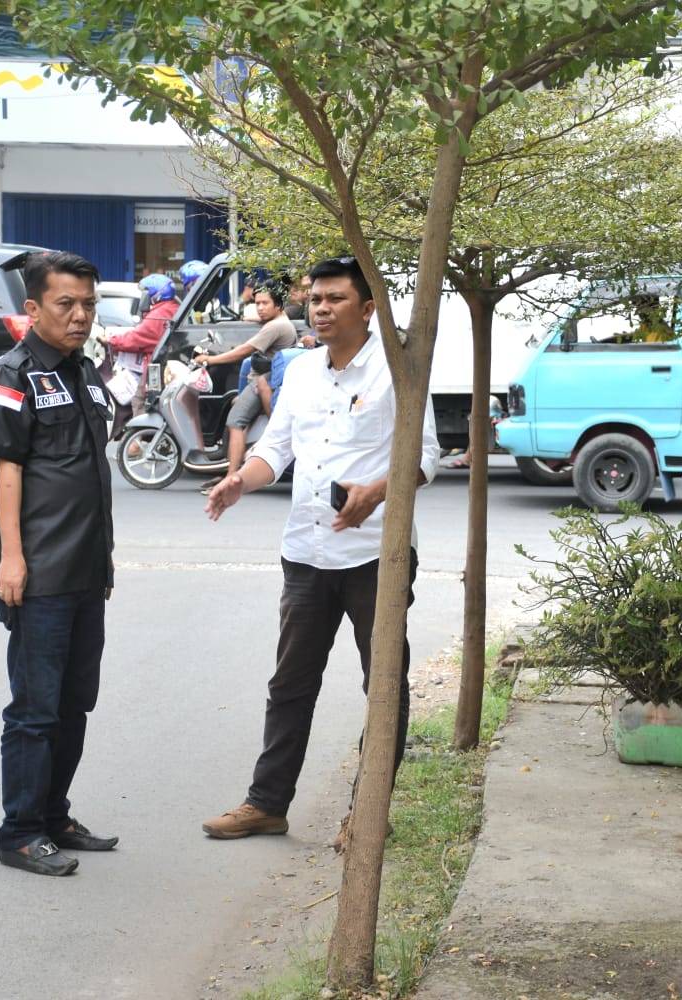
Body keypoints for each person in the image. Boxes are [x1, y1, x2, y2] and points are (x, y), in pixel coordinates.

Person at [199, 255, 440, 843]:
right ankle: (266, 804)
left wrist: (375, 493)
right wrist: (240, 480)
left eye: (335, 298)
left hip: (376, 556)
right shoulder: (302, 370)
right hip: (306, 552)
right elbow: (276, 448)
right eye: (315, 299)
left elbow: (426, 456)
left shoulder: (398, 371)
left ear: (368, 307)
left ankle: (367, 813)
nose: (321, 309)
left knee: (382, 686)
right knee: (290, 684)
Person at [0, 250, 117, 877]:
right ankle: (20, 832)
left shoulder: (84, 371)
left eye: (89, 304)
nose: (80, 315)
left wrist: (103, 562)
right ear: (33, 308)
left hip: (86, 569)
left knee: (74, 702)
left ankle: (54, 816)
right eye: (66, 304)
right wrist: (11, 559)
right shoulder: (12, 375)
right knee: (35, 709)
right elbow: (6, 470)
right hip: (38, 573)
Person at [192, 283, 299, 492]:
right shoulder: (278, 322)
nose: (260, 308)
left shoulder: (275, 326)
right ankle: (229, 466)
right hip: (263, 380)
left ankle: (232, 477)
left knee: (235, 422)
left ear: (278, 305)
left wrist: (210, 360)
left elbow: (244, 350)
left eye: (265, 303)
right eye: (257, 303)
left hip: (263, 382)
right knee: (230, 405)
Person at [108, 273, 180, 440]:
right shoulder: (172, 308)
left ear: (156, 294)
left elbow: (137, 338)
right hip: (165, 366)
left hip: (157, 369)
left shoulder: (158, 314)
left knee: (139, 400)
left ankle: (138, 440)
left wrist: (111, 340)